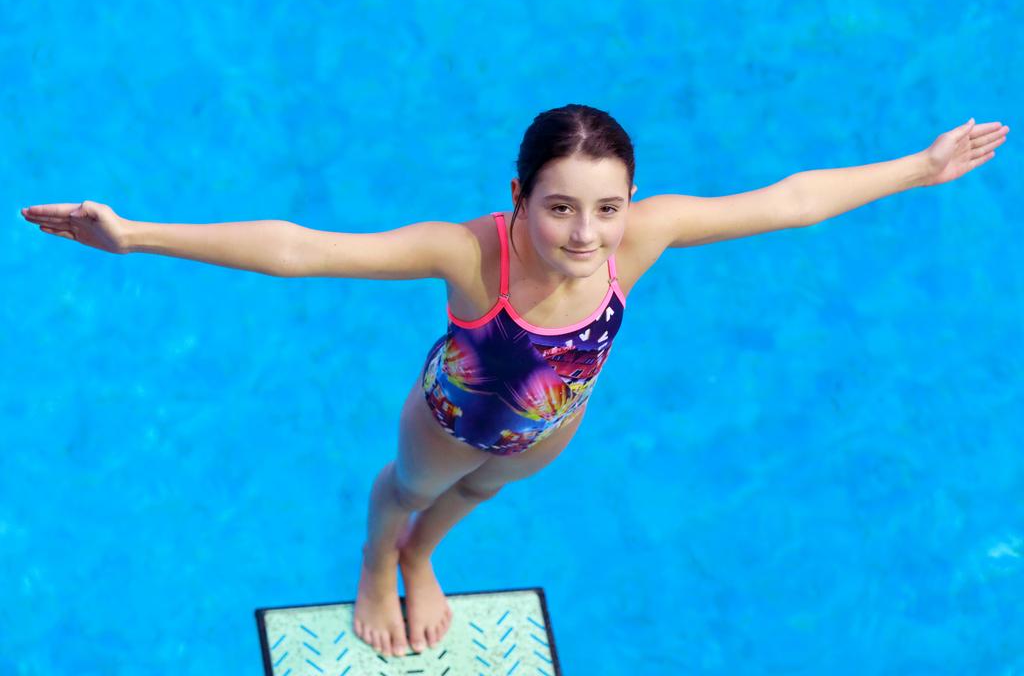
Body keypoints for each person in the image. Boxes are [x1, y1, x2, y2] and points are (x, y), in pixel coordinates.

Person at [20, 104, 1008, 659]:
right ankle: (378, 561)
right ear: (518, 199)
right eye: (561, 209)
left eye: (606, 209)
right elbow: (299, 252)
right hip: (449, 416)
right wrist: (136, 235)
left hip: (551, 425)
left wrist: (917, 168)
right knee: (407, 490)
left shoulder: (644, 236)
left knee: (480, 496)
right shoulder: (468, 257)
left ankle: (422, 559)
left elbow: (788, 203)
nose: (586, 235)